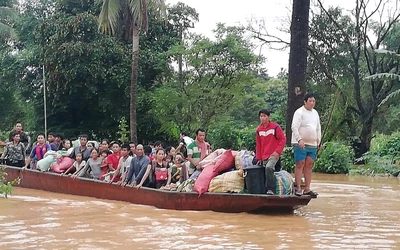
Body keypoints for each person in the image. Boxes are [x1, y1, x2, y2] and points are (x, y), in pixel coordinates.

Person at [291, 93, 321, 197]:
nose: (312, 103)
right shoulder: (299, 112)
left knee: (309, 165)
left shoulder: (315, 113)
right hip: (300, 143)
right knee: (300, 164)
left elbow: (318, 128)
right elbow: (294, 127)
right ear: (305, 102)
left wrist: (319, 141)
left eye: (314, 101)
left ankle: (307, 188)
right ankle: (298, 188)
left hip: (312, 144)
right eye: (310, 101)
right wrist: (299, 140)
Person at [255, 109, 286, 195]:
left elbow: (282, 140)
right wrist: (259, 158)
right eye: (261, 116)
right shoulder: (258, 130)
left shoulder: (275, 127)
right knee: (264, 171)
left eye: (264, 116)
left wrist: (277, 152)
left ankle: (270, 189)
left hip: (274, 154)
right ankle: (264, 189)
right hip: (264, 155)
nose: (262, 118)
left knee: (269, 167)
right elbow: (258, 145)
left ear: (268, 117)